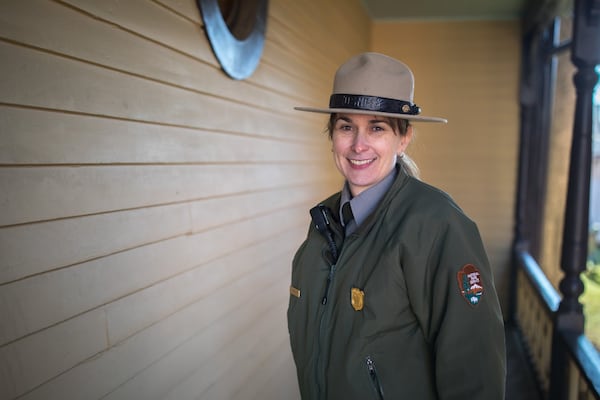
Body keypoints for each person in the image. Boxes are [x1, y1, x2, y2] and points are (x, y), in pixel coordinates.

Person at [287, 52, 506, 400]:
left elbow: (474, 370)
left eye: (376, 128)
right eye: (346, 127)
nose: (358, 145)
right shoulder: (323, 222)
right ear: (332, 136)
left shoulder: (438, 225)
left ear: (403, 139)